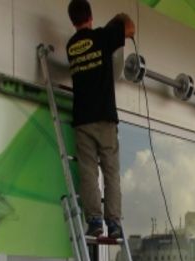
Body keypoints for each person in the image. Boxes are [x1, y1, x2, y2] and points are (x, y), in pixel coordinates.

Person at [66, 0, 135, 238]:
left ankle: (94, 220)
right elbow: (130, 29)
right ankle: (113, 223)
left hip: (82, 119)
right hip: (104, 118)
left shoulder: (71, 46)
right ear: (91, 15)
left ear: (72, 20)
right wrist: (120, 18)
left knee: (88, 171)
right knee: (111, 172)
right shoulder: (102, 38)